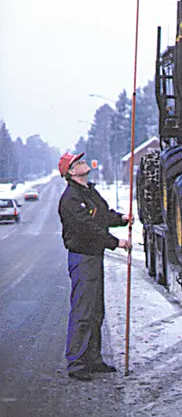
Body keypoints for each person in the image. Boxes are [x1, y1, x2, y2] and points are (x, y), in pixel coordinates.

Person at [58, 151, 133, 382]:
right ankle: (76, 362)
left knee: (96, 311)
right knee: (83, 312)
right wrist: (116, 243)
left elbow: (101, 216)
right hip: (83, 259)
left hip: (94, 257)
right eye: (77, 162)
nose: (82, 163)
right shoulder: (70, 198)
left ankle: (93, 359)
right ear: (70, 172)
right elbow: (87, 228)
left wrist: (120, 219)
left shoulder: (89, 191)